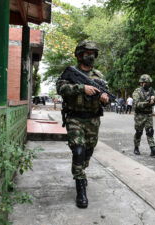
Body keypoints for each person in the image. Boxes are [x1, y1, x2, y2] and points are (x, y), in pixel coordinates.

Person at [56, 40, 109, 208]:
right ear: (79, 55)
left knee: (88, 151)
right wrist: (81, 88)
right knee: (78, 150)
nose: (90, 56)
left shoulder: (99, 76)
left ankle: (81, 171)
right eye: (87, 53)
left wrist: (104, 98)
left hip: (93, 119)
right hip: (75, 118)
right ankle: (80, 189)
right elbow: (61, 89)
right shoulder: (71, 72)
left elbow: (106, 98)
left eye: (93, 53)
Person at [132, 74, 155, 156]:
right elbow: (136, 104)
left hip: (148, 115)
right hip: (139, 115)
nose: (147, 84)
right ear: (141, 83)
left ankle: (153, 149)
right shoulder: (137, 91)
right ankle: (136, 148)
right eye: (146, 83)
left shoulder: (151, 91)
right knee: (139, 132)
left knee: (150, 131)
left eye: (149, 82)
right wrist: (147, 103)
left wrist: (154, 98)